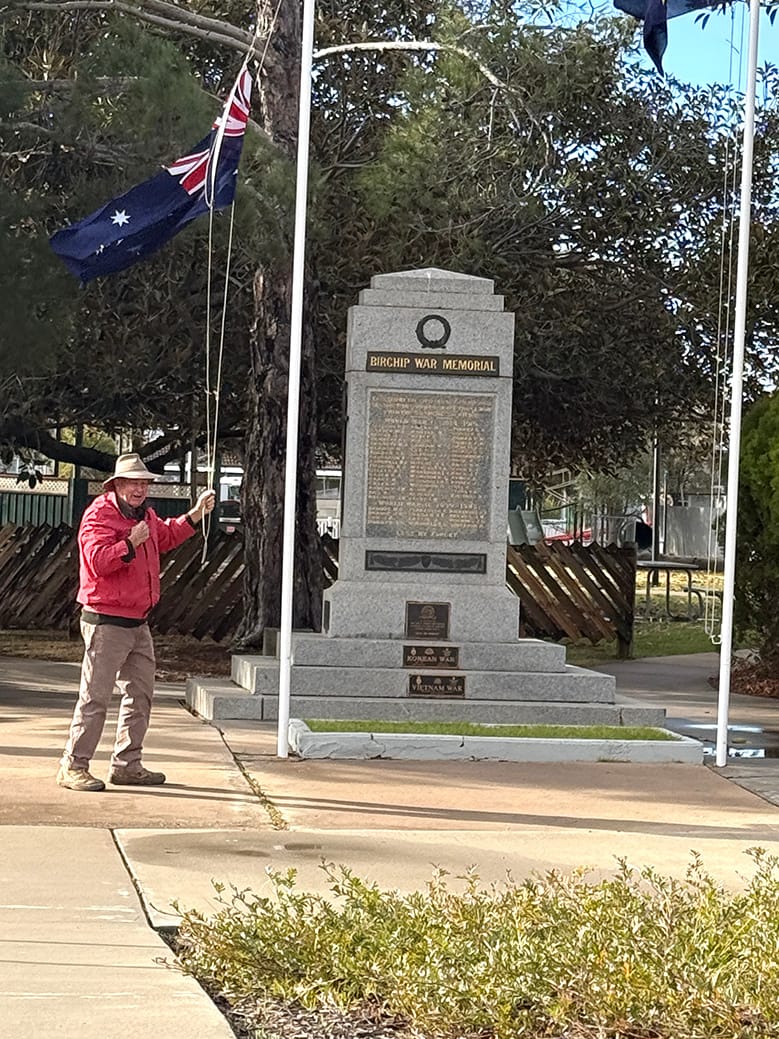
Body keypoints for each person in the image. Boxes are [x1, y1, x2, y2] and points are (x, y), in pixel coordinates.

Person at [57, 453, 215, 792]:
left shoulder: (146, 515)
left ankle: (128, 764)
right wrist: (130, 543)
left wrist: (197, 513)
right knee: (95, 697)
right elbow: (98, 562)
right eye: (133, 482)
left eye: (144, 483)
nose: (140, 488)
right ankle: (73, 765)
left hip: (138, 621)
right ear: (117, 485)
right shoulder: (99, 515)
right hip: (106, 621)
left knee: (140, 695)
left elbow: (167, 536)